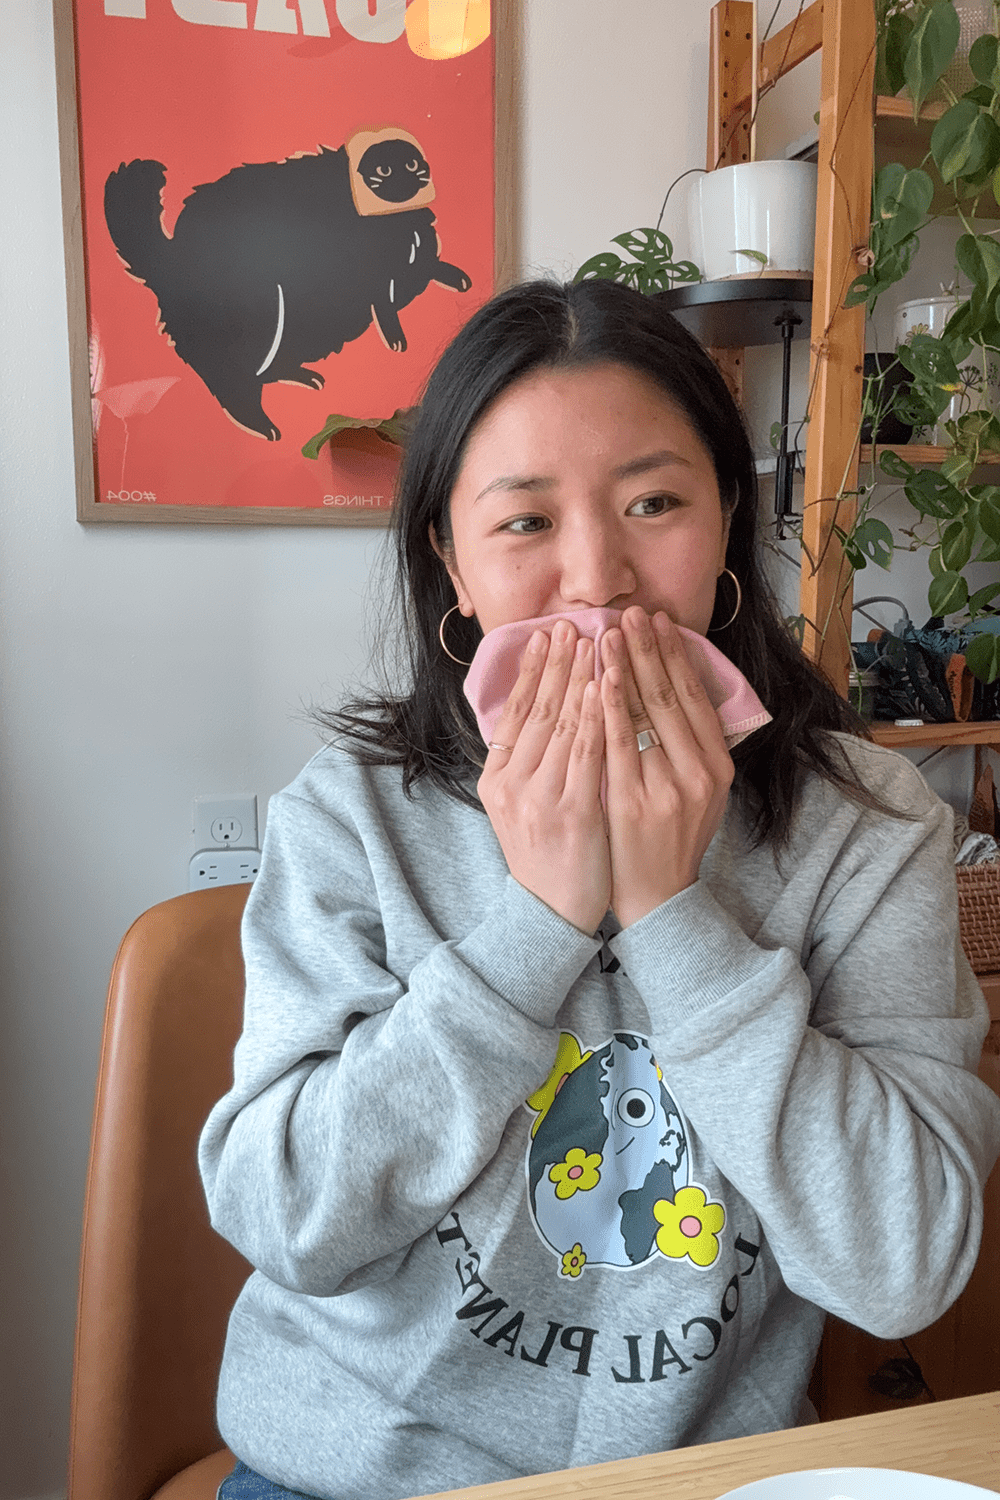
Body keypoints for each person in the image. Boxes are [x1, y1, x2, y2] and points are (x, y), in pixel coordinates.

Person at [199, 279, 1000, 1500]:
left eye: (655, 503)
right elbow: (290, 1218)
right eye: (524, 523)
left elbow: (902, 1267)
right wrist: (537, 919)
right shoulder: (352, 816)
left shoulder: (865, 825)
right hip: (350, 1472)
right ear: (450, 563)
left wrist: (677, 915)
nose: (598, 580)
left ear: (726, 522)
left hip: (706, 1475)